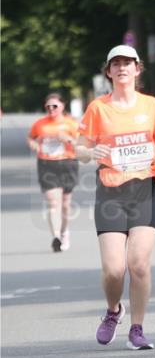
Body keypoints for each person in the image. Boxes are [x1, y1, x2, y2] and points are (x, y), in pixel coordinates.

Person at [76, 45, 155, 350]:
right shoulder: (98, 108)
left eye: (128, 63)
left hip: (145, 189)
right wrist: (89, 152)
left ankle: (137, 329)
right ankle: (113, 311)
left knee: (139, 264)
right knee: (114, 269)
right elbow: (79, 148)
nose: (122, 68)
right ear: (108, 71)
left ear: (137, 69)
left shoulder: (151, 105)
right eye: (116, 63)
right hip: (111, 192)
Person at [27, 93, 80, 252]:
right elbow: (30, 137)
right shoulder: (40, 124)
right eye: (48, 106)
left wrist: (68, 139)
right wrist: (33, 144)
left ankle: (64, 232)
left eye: (55, 106)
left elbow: (82, 144)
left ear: (62, 106)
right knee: (53, 202)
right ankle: (56, 237)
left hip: (67, 163)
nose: (51, 109)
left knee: (65, 204)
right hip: (47, 164)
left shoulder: (71, 124)